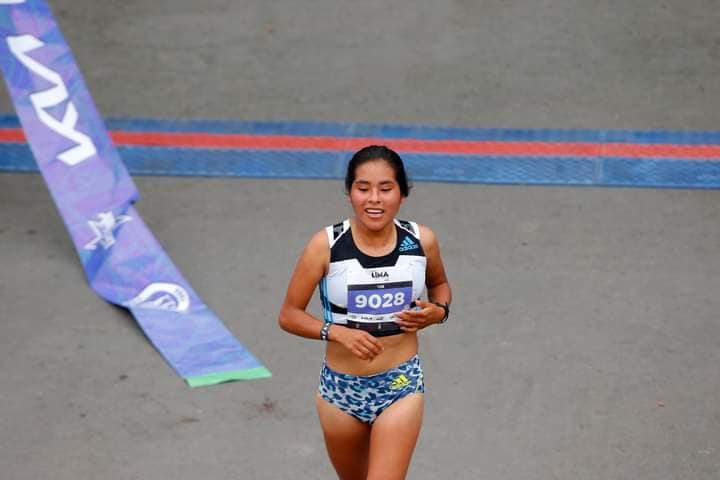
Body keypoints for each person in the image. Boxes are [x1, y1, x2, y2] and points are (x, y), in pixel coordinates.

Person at [278, 145, 452, 480]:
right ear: (349, 193)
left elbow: (441, 286)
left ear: (402, 194)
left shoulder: (421, 241)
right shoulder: (326, 245)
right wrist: (337, 331)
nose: (374, 199)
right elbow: (288, 315)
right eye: (363, 188)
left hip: (400, 383)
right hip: (339, 390)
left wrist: (438, 312)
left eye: (386, 189)